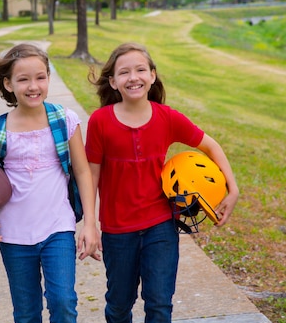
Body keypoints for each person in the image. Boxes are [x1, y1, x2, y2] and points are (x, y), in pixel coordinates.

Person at [85, 43, 239, 323]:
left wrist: (233, 188)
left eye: (141, 70)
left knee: (159, 305)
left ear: (153, 75)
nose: (134, 77)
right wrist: (89, 224)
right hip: (117, 230)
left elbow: (211, 146)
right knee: (119, 306)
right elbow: (90, 175)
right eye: (124, 72)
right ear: (113, 82)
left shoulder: (167, 117)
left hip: (160, 226)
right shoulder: (100, 122)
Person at [0, 43, 100, 323]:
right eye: (23, 79)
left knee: (63, 302)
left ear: (49, 78)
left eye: (40, 77)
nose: (33, 86)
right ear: (9, 84)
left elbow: (83, 172)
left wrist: (90, 223)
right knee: (26, 313)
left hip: (57, 227)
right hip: (12, 234)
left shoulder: (64, 120)